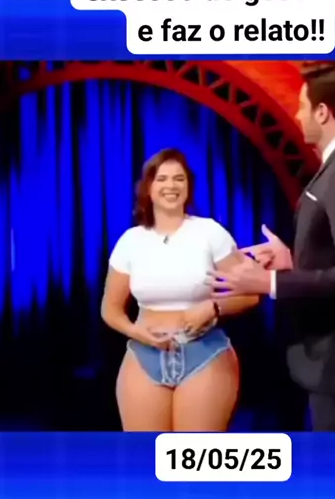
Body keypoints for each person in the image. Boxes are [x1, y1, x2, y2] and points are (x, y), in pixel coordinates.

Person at [211, 62, 335, 432]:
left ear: (323, 112)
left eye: (303, 107)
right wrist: (292, 261)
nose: (298, 115)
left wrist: (270, 283)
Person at [101, 148, 259, 432]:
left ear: (188, 186)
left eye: (179, 179)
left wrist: (213, 307)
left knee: (194, 457)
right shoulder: (131, 241)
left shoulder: (210, 232)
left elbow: (251, 293)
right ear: (148, 187)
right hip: (144, 355)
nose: (171, 186)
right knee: (147, 457)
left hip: (204, 353)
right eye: (162, 179)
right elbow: (110, 309)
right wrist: (137, 332)